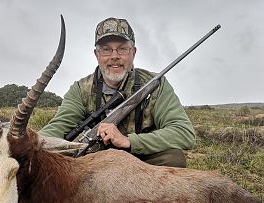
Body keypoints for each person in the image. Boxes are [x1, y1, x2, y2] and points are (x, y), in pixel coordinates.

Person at [39, 17, 195, 167]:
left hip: (142, 159)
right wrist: (27, 140)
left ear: (133, 52)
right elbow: (58, 126)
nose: (114, 56)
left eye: (122, 49)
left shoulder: (155, 83)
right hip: (94, 161)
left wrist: (129, 141)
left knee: (173, 158)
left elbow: (184, 133)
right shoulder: (81, 89)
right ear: (97, 54)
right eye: (106, 50)